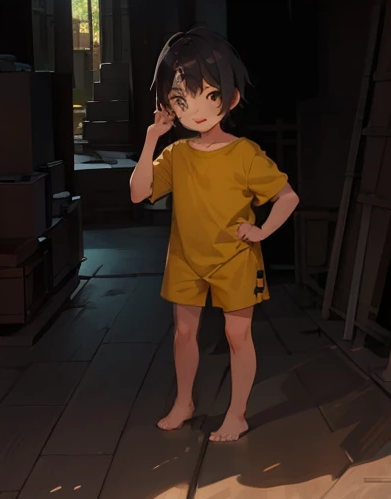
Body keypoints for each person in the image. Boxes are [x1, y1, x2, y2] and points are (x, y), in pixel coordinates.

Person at [128, 27, 298, 442]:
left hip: (235, 258)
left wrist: (260, 232)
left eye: (209, 95)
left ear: (230, 97)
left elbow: (287, 197)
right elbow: (138, 193)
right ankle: (184, 401)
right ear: (169, 105)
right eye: (181, 100)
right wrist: (151, 140)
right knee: (184, 332)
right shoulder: (177, 153)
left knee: (236, 334)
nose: (196, 110)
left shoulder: (245, 153)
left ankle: (236, 414)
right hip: (185, 256)